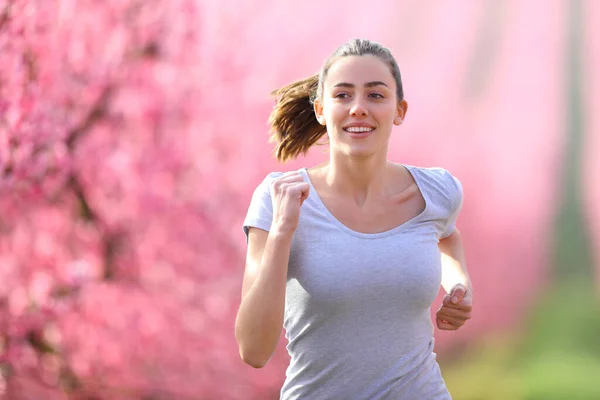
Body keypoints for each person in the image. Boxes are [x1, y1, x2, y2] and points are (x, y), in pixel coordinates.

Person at [235, 38, 473, 400]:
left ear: (400, 110)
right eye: (343, 95)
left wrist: (459, 285)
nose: (358, 108)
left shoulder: (437, 192)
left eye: (375, 95)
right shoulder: (278, 198)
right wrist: (283, 231)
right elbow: (253, 350)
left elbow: (447, 238)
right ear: (320, 109)